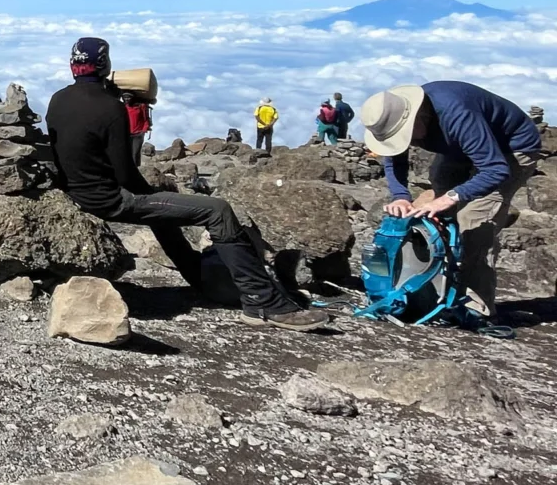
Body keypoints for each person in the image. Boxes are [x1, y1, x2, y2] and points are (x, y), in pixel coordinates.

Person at [45, 37, 327, 331]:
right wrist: (156, 196)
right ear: (105, 64)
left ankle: (199, 277)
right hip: (109, 200)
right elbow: (125, 174)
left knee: (161, 211)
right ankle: (263, 302)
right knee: (217, 210)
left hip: (77, 192)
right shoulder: (110, 108)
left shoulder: (58, 99)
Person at [361, 81, 544, 319]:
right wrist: (401, 196)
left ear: (419, 117)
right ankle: (436, 283)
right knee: (438, 186)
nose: (407, 142)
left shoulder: (458, 115)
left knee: (474, 219)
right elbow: (394, 157)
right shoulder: (398, 113)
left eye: (404, 135)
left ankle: (477, 307)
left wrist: (450, 197)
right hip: (461, 147)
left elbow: (495, 170)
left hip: (512, 150)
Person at [121, 91, 152, 167]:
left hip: (138, 134)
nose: (127, 99)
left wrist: (144, 130)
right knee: (127, 153)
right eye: (125, 98)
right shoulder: (122, 106)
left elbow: (146, 119)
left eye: (128, 97)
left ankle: (135, 171)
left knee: (135, 153)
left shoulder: (141, 106)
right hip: (126, 134)